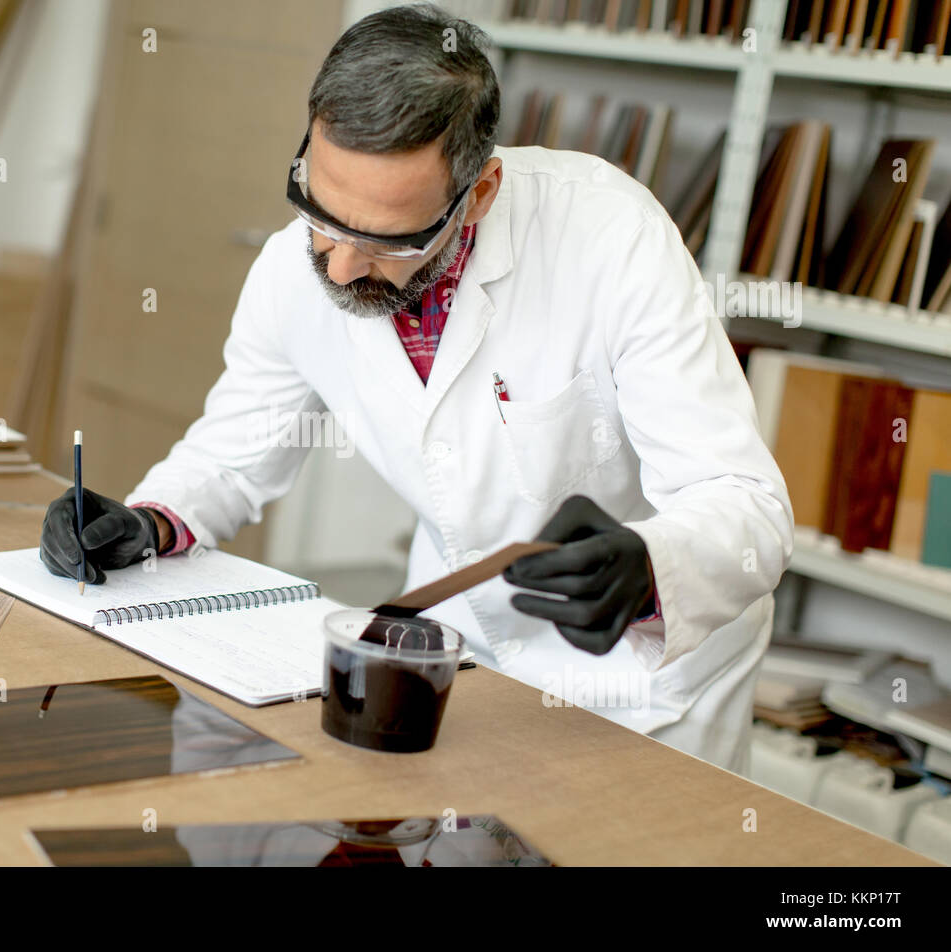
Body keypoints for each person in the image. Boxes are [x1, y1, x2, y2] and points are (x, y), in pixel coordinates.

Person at [39, 3, 793, 774]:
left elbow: (750, 506)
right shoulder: (288, 270)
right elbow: (232, 456)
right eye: (321, 217)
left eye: (387, 241)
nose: (338, 267)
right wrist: (147, 523)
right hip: (450, 658)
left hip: (636, 688)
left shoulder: (611, 240)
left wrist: (647, 566)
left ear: (482, 191)